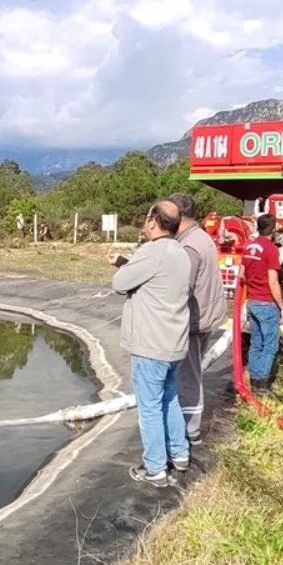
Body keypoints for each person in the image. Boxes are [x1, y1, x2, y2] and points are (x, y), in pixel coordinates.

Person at [110, 200, 192, 487]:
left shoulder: (151, 251)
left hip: (151, 344)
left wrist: (123, 263)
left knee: (150, 407)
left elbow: (119, 283)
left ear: (153, 222)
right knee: (169, 398)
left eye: (146, 218)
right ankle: (179, 454)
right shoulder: (181, 252)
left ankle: (155, 468)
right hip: (174, 342)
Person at [168, 193, 229, 445]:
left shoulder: (189, 246)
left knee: (187, 376)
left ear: (177, 215)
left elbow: (182, 285)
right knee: (193, 373)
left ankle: (189, 431)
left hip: (194, 321)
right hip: (207, 316)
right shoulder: (201, 237)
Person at [241, 214, 283, 396]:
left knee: (256, 343)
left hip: (252, 300)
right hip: (267, 302)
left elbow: (241, 275)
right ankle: (262, 385)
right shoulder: (271, 249)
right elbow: (273, 282)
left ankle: (253, 381)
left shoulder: (248, 247)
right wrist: (282, 306)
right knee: (270, 345)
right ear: (273, 230)